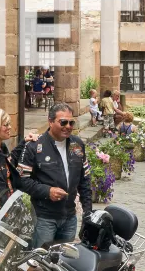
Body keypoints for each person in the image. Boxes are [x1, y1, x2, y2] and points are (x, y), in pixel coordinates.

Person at [16, 102, 92, 247]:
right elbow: (21, 181)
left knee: (61, 262)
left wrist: (87, 212)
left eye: (71, 123)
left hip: (70, 218)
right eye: (63, 122)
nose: (68, 126)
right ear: (50, 122)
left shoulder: (77, 145)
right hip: (44, 218)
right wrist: (47, 191)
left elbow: (85, 180)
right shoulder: (34, 146)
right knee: (40, 263)